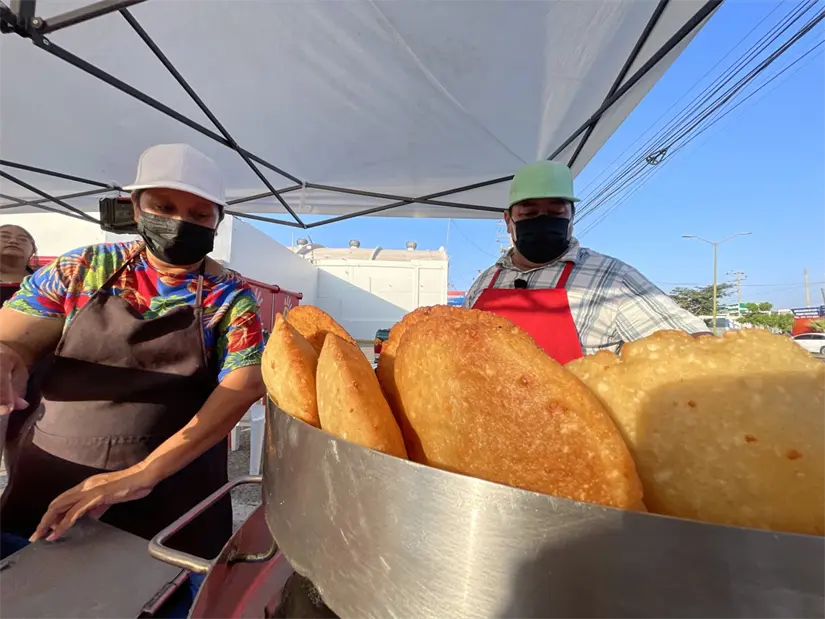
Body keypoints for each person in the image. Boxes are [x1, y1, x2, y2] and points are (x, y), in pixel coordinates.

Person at [0, 144, 265, 574]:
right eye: (164, 206)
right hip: (52, 479)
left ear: (217, 221)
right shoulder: (81, 268)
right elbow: (15, 337)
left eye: (199, 215)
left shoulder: (230, 296)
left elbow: (244, 385)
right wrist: (6, 355)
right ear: (137, 210)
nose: (180, 223)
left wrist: (142, 474)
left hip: (171, 491)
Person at [464, 160, 709, 364]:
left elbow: (693, 347)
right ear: (508, 220)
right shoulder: (484, 283)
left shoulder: (612, 279)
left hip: (571, 421)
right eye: (528, 214)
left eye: (555, 213)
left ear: (571, 217)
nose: (542, 221)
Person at [0, 224, 38, 305]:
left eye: (22, 239)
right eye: (4, 236)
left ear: (33, 250)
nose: (13, 241)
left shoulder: (45, 280)